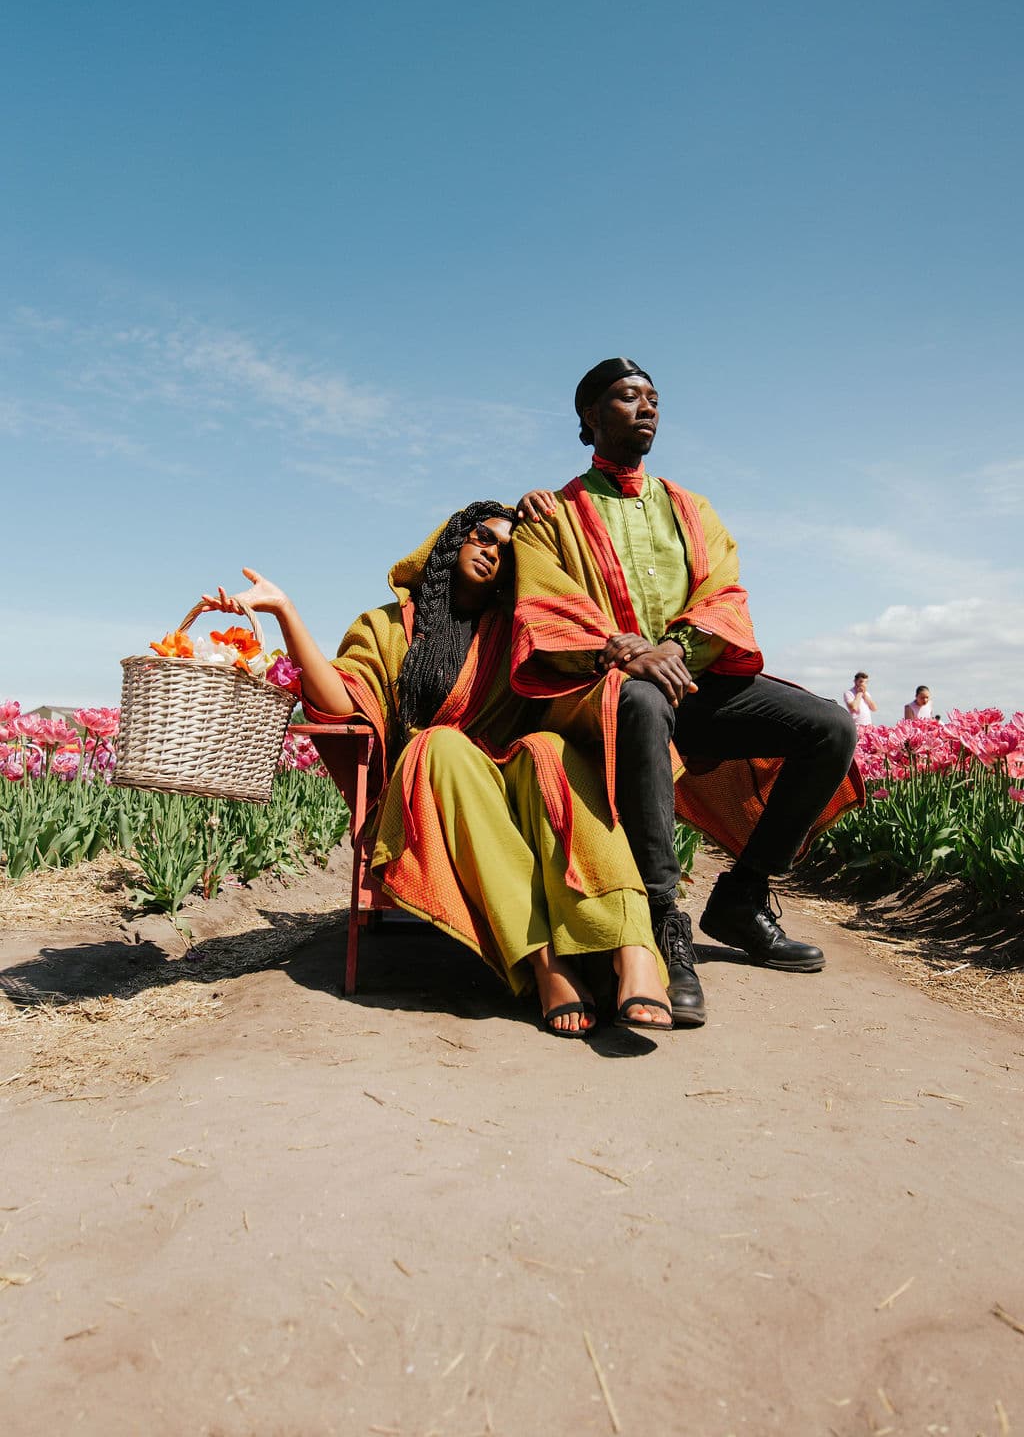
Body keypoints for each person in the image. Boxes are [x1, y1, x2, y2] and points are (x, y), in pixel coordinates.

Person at [202, 501, 675, 1037]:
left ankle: (632, 947)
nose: (493, 552)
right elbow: (341, 701)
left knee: (551, 748)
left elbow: (573, 672)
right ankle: (545, 962)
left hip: (507, 777)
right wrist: (286, 611)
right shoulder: (387, 626)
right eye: (483, 537)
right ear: (452, 540)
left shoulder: (521, 633)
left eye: (508, 550)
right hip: (429, 785)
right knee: (442, 744)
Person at [512, 358, 863, 1028]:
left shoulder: (692, 510)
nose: (646, 407)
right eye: (627, 397)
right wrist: (623, 650)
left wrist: (674, 648)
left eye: (653, 397)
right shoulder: (551, 515)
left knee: (829, 727)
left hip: (692, 680)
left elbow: (724, 592)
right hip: (601, 693)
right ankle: (660, 923)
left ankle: (742, 898)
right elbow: (543, 606)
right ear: (589, 416)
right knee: (643, 699)